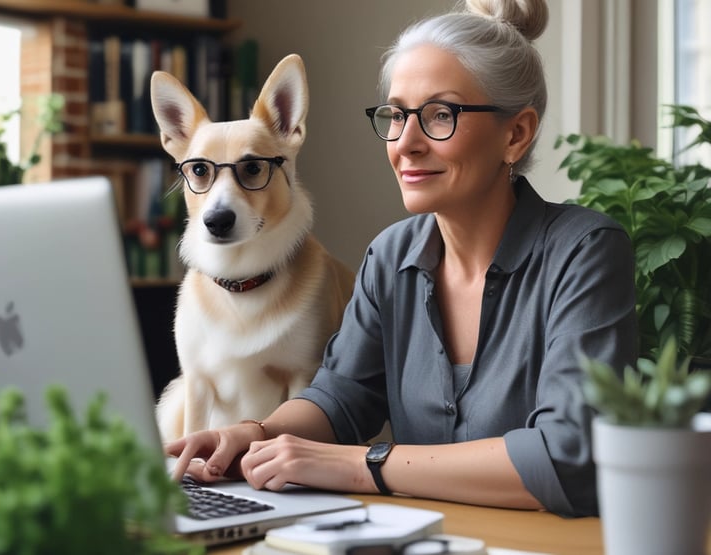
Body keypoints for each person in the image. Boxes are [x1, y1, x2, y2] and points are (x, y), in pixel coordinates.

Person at [166, 0, 638, 518]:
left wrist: (360, 465)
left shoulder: (585, 252)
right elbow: (340, 397)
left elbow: (566, 457)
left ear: (516, 134)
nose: (405, 143)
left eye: (440, 115)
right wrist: (253, 434)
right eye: (396, 115)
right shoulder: (390, 256)